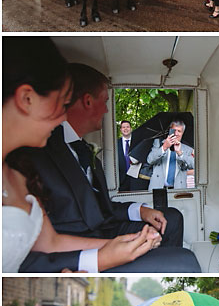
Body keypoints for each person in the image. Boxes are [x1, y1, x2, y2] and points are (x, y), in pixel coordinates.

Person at [17, 62, 200, 273]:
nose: (105, 109)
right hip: (78, 240)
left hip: (102, 228)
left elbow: (101, 206)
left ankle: (160, 261)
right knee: (185, 260)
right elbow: (149, 160)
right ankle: (163, 263)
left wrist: (141, 211)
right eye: (104, 101)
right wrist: (106, 252)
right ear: (87, 101)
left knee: (172, 218)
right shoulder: (42, 148)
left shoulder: (84, 150)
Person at [147, 119, 195, 190]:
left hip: (178, 188)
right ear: (170, 130)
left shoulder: (187, 149)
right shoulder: (159, 143)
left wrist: (180, 153)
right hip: (158, 187)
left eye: (179, 131)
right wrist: (164, 147)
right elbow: (150, 160)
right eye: (174, 130)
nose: (176, 133)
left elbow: (194, 165)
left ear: (182, 133)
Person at [116, 120, 138, 192]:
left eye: (127, 127)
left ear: (131, 129)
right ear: (120, 130)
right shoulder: (115, 143)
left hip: (135, 177)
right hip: (121, 178)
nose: (125, 129)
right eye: (123, 127)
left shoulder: (137, 142)